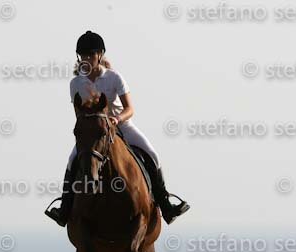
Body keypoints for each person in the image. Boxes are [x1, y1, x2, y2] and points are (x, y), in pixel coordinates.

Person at [45, 30, 190, 226]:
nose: (86, 59)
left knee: (152, 154)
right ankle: (64, 210)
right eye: (83, 55)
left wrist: (116, 119)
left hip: (122, 126)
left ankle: (165, 205)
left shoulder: (114, 78)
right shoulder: (75, 83)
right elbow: (79, 116)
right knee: (72, 162)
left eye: (91, 54)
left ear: (100, 55)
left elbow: (130, 109)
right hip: (95, 133)